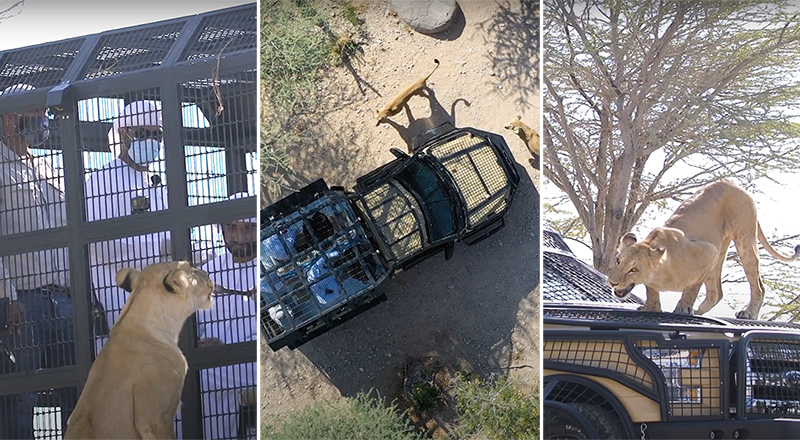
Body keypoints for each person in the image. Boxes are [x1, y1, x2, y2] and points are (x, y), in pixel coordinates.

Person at [0, 83, 75, 439]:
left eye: (43, 112)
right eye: (34, 111)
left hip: (64, 299)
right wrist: (8, 297)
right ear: (9, 116)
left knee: (77, 391)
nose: (41, 119)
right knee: (22, 396)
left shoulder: (49, 166)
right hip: (23, 304)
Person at [84, 100, 170, 354]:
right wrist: (159, 248)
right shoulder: (103, 180)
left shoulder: (156, 182)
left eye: (157, 135)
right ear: (124, 133)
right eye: (143, 133)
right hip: (119, 298)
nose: (151, 141)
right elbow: (101, 244)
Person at [195, 192, 258, 440]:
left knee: (202, 376)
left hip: (252, 364)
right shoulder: (206, 274)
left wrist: (225, 349)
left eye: (249, 228)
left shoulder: (267, 266)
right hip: (212, 363)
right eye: (232, 227)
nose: (239, 237)